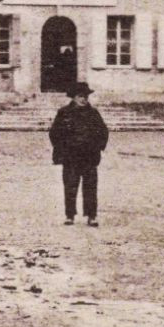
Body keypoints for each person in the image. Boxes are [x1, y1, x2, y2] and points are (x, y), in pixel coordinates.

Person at [49, 81, 109, 226]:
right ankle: (70, 215)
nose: (84, 99)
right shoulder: (64, 113)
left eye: (86, 96)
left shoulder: (93, 113)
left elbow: (103, 131)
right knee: (70, 186)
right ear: (74, 97)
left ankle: (91, 216)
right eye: (80, 96)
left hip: (89, 156)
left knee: (90, 187)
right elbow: (54, 133)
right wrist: (61, 150)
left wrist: (98, 148)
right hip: (71, 157)